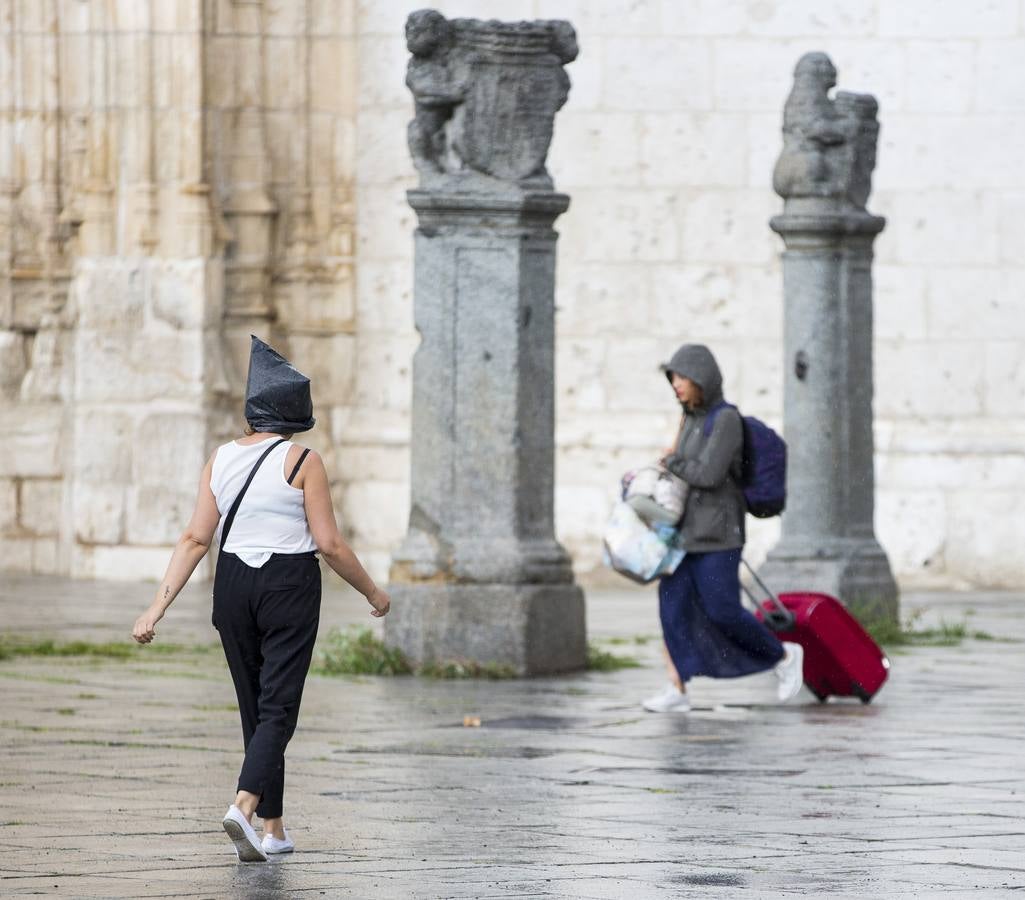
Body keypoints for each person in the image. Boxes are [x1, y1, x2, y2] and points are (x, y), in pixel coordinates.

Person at [131, 335, 391, 862]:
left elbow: (195, 539)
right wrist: (373, 591)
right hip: (287, 585)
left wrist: (154, 608)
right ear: (296, 413)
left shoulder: (220, 458)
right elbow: (330, 544)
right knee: (280, 705)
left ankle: (273, 828)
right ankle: (244, 806)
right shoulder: (303, 460)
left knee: (256, 705)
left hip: (232, 586)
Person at [642, 343, 803, 713]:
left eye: (682, 377)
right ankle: (677, 689)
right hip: (683, 535)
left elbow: (710, 475)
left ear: (702, 378)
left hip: (718, 536)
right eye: (673, 378)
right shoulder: (690, 419)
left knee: (723, 610)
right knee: (672, 610)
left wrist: (671, 460)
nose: (676, 385)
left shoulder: (725, 420)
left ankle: (783, 657)